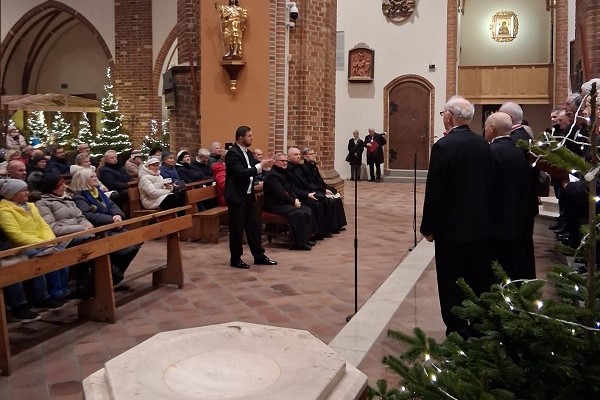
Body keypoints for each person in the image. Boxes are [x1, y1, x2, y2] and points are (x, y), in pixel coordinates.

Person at [420, 95, 492, 338]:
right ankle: (479, 325)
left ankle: (457, 328)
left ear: (449, 117)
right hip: (480, 225)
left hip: (451, 228)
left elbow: (435, 191)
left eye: (443, 114)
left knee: (451, 279)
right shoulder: (483, 144)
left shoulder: (444, 146)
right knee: (477, 276)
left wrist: (428, 227)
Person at [0, 179, 66, 309]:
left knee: (60, 252)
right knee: (38, 257)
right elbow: (15, 234)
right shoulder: (4, 210)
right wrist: (41, 244)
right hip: (23, 246)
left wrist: (50, 241)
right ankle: (41, 297)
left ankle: (59, 292)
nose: (27, 193)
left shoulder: (31, 206)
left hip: (42, 243)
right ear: (13, 194)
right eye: (23, 190)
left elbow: (44, 226)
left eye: (27, 190)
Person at [71, 169, 141, 287]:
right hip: (100, 230)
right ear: (83, 180)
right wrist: (111, 219)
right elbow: (88, 215)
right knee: (126, 249)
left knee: (136, 243)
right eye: (92, 177)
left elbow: (112, 205)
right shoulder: (80, 197)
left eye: (95, 176)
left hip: (112, 226)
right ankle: (112, 278)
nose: (96, 178)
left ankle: (113, 277)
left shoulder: (97, 192)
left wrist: (118, 215)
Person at [483, 112, 531, 280]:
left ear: (491, 128)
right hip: (516, 215)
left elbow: (486, 186)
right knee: (512, 261)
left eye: (485, 127)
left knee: (496, 266)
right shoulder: (518, 150)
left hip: (495, 218)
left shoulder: (490, 151)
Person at [224, 125, 276, 269]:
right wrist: (260, 166)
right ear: (241, 137)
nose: (252, 138)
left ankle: (259, 256)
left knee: (254, 226)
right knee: (237, 229)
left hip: (248, 195)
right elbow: (241, 173)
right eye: (249, 136)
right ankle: (235, 259)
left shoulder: (247, 153)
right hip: (236, 196)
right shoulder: (232, 154)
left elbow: (253, 170)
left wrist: (265, 165)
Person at [36, 173, 96, 298]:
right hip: (63, 240)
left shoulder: (67, 199)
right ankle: (83, 287)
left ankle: (98, 282)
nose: (64, 186)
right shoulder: (43, 204)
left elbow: (80, 217)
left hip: (80, 234)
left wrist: (87, 224)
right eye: (60, 184)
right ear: (52, 188)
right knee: (88, 245)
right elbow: (53, 228)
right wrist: (81, 229)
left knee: (99, 242)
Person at [499, 101, 539, 280]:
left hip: (517, 204)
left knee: (519, 249)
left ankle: (519, 283)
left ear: (509, 117)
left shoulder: (516, 141)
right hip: (524, 202)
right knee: (523, 246)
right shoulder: (523, 136)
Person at [263, 153, 315, 250]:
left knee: (307, 209)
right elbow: (280, 193)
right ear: (275, 162)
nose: (285, 163)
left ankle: (305, 239)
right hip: (274, 205)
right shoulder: (272, 175)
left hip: (283, 202)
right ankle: (298, 243)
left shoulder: (283, 172)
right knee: (299, 213)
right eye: (282, 161)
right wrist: (293, 201)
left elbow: (289, 189)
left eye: (286, 161)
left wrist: (295, 198)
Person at [98, 149, 132, 214]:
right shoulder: (105, 171)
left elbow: (129, 177)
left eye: (115, 157)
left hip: (125, 187)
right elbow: (112, 185)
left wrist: (131, 183)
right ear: (106, 160)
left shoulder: (120, 168)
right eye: (112, 157)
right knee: (129, 192)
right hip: (115, 192)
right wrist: (127, 185)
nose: (115, 159)